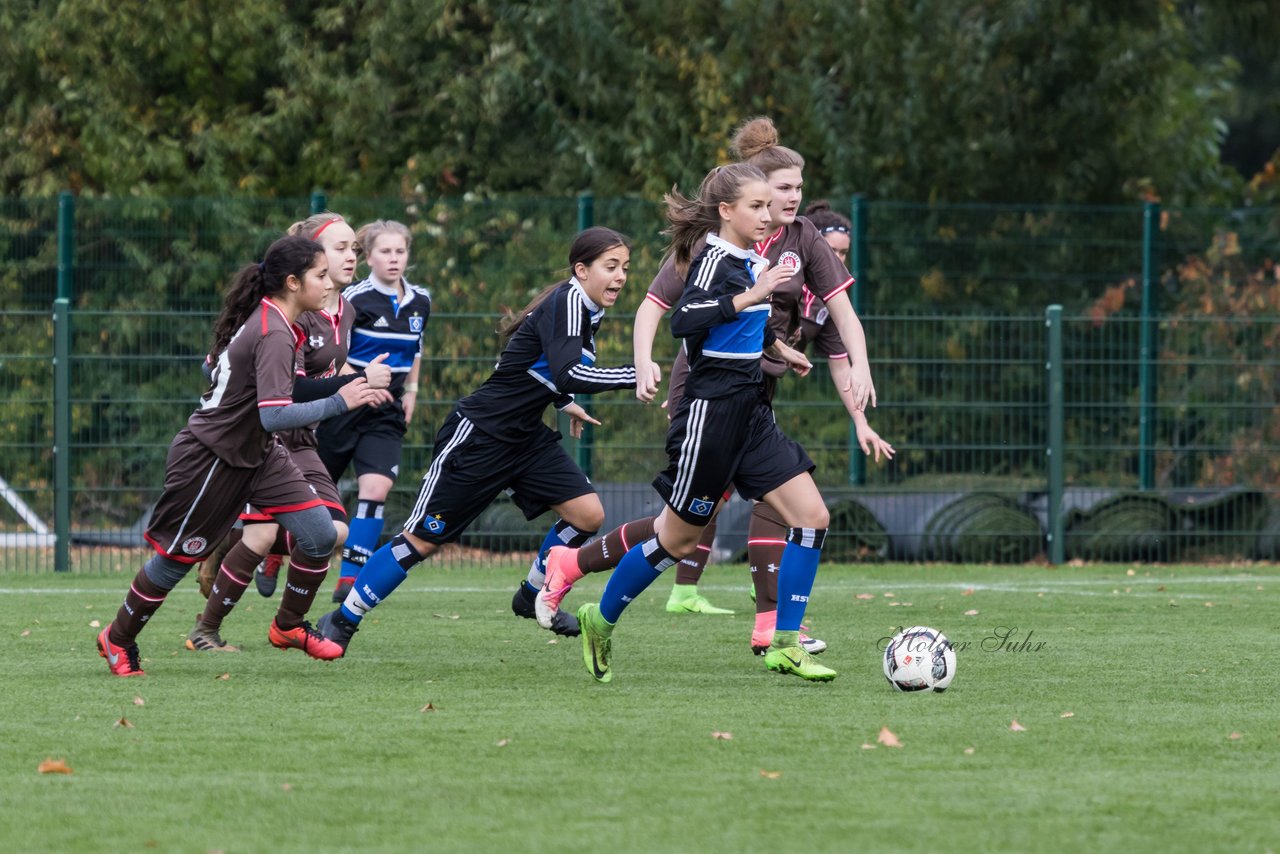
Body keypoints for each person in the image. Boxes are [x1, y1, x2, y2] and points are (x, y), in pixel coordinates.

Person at [539, 117, 890, 657]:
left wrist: (792, 351)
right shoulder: (717, 253)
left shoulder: (788, 242)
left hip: (751, 404)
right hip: (706, 406)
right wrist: (648, 361)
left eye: (798, 189)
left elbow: (823, 315)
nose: (790, 200)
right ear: (745, 200)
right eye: (778, 192)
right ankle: (595, 604)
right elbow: (679, 315)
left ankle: (782, 639)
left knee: (810, 516)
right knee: (677, 535)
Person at [314, 227, 639, 654]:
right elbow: (567, 372)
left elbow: (531, 364)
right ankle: (343, 619)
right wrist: (638, 374)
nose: (620, 277)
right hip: (479, 437)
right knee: (422, 540)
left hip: (525, 439)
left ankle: (531, 594)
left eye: (626, 269)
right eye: (610, 267)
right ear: (582, 269)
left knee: (587, 515)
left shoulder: (584, 308)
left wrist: (563, 402)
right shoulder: (569, 301)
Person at [95, 235, 384, 676]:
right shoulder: (273, 333)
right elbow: (273, 415)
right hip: (212, 459)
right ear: (292, 282)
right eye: (320, 275)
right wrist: (341, 401)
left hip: (260, 455)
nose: (328, 284)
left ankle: (288, 625)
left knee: (321, 535)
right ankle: (117, 638)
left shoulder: (287, 325)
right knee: (176, 560)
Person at [186, 213, 393, 651]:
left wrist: (360, 379)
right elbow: (289, 390)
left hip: (303, 436)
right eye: (339, 249)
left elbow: (325, 374)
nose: (351, 255)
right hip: (269, 436)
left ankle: (245, 558)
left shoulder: (346, 309)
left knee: (333, 532)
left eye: (353, 247)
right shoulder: (294, 316)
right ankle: (207, 630)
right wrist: (350, 387)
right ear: (311, 258)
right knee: (264, 537)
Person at [316, 220, 430, 604]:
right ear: (369, 256)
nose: (394, 258)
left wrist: (411, 391)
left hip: (386, 412)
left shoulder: (420, 301)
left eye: (400, 251)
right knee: (311, 493)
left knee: (376, 488)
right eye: (385, 251)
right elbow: (332, 355)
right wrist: (364, 383)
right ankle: (273, 552)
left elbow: (416, 349)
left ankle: (349, 578)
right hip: (343, 406)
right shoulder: (353, 299)